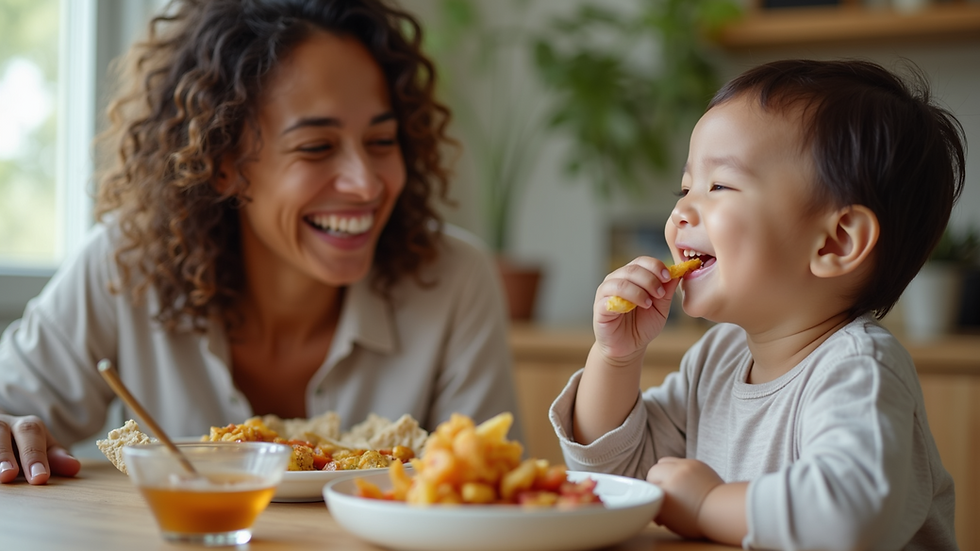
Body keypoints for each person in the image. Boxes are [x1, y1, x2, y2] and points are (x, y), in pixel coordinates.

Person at [0, 0, 522, 486]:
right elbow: (11, 412)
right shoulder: (123, 265)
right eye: (317, 147)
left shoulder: (455, 280)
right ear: (223, 163)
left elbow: (488, 486)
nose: (366, 184)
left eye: (382, 141)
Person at [550, 59, 962, 550]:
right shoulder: (718, 358)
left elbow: (849, 518)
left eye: (719, 186)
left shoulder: (857, 370)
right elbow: (620, 473)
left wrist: (708, 505)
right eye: (684, 189)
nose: (680, 211)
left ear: (835, 243)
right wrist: (615, 357)